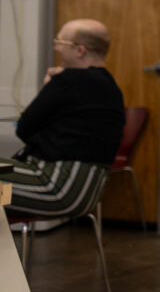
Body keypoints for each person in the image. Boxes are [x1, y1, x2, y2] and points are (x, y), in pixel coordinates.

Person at [1, 19, 125, 217]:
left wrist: (50, 86)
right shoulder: (109, 86)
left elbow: (24, 128)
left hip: (55, 187)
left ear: (80, 51)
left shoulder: (71, 80)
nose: (56, 48)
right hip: (82, 193)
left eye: (60, 43)